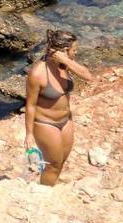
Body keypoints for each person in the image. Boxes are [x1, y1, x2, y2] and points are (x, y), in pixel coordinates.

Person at [25, 30, 93, 186]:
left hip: (66, 120)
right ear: (63, 51)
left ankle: (51, 183)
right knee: (53, 164)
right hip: (46, 124)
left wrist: (66, 61)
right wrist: (29, 134)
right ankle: (44, 193)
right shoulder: (37, 73)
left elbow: (88, 76)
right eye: (73, 50)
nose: (76, 52)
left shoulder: (64, 65)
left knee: (61, 160)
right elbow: (30, 106)